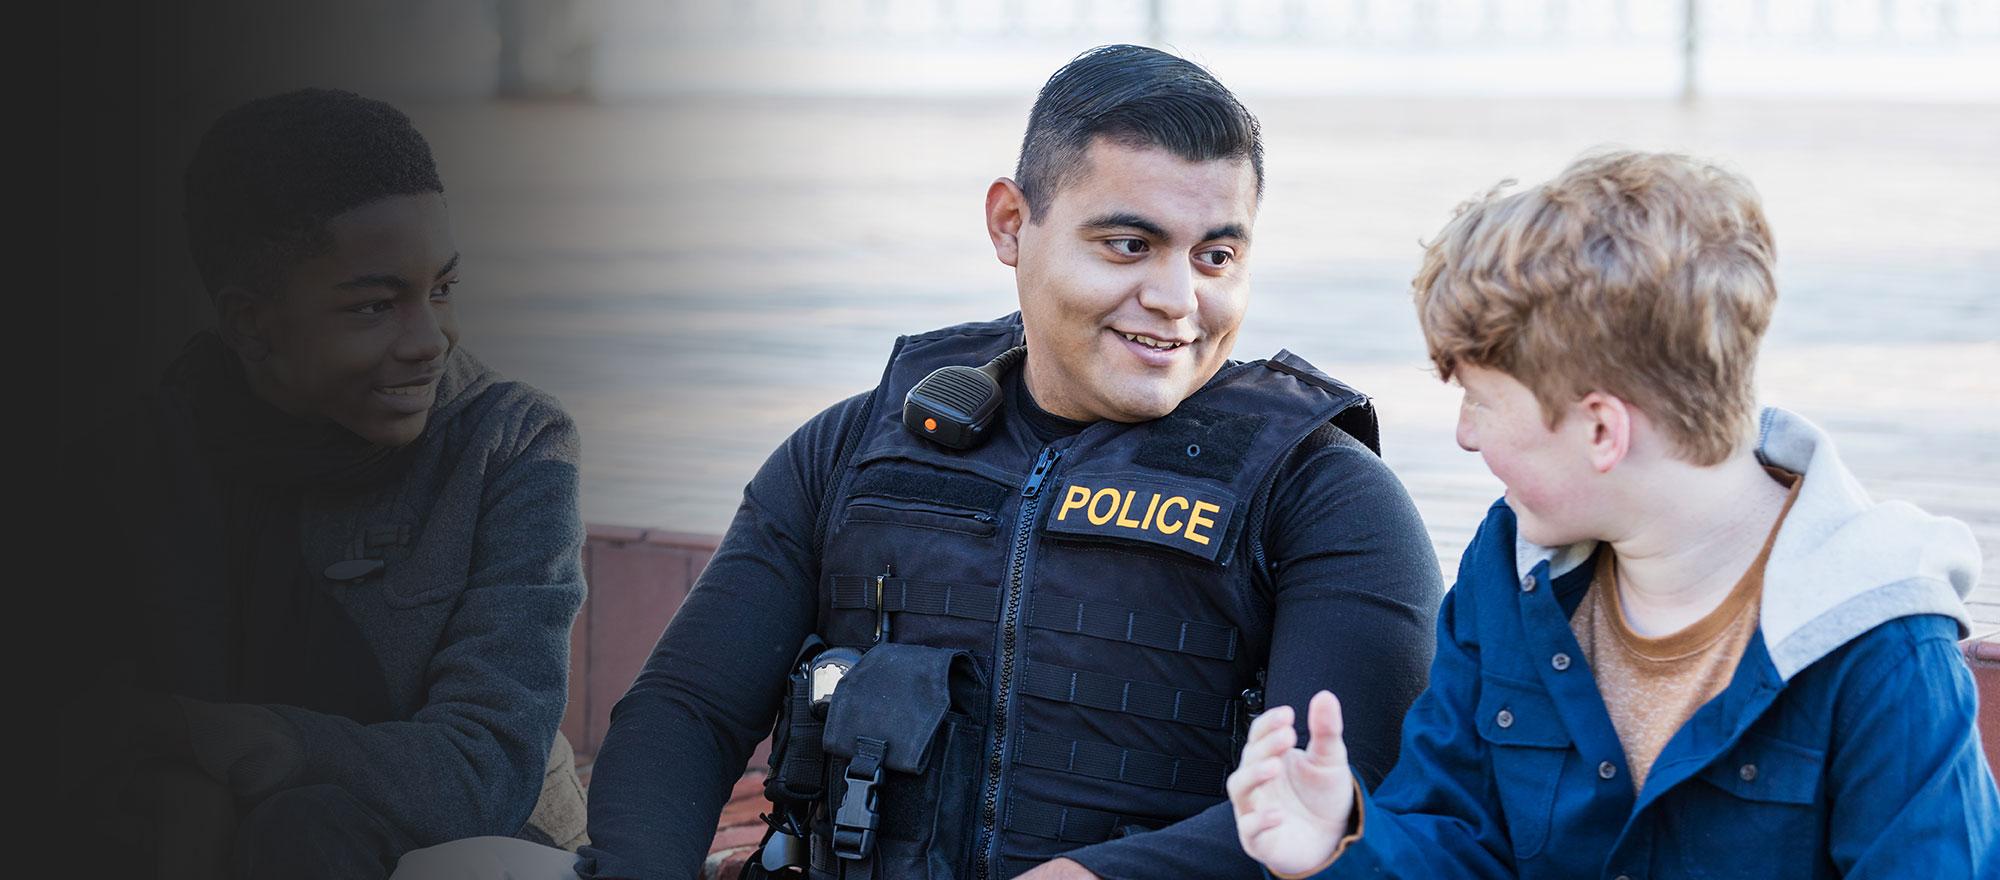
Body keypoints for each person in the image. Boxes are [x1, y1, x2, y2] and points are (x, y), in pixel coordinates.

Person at [544, 44, 1446, 880]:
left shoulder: (1325, 496)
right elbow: (686, 713)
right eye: (1128, 246)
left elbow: (1354, 790)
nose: (1178, 301)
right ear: (1011, 224)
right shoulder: (850, 453)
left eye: (1216, 256)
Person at [1227, 150, 2000, 879]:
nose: (1465, 434)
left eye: (1481, 400)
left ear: (1602, 429)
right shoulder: (1506, 569)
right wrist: (1342, 842)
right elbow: (1457, 837)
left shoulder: (1881, 651)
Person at [59, 88, 589, 879]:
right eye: (376, 305)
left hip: (481, 847)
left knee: (305, 827)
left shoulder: (510, 444)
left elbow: (484, 772)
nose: (431, 341)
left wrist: (217, 738)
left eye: (442, 289)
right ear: (250, 323)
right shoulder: (135, 458)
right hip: (218, 836)